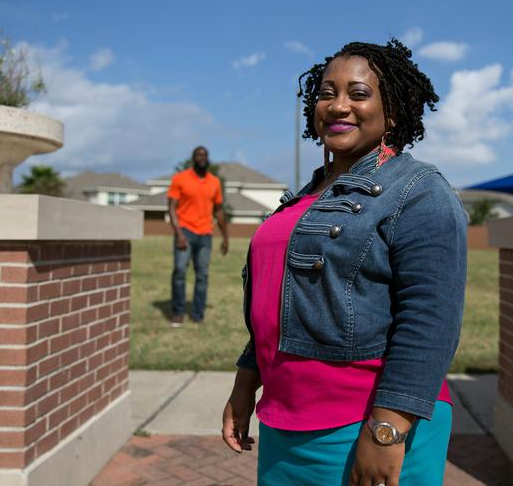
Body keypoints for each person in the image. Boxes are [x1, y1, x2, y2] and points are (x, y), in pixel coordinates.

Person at [221, 39, 467, 486]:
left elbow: (432, 317)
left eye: (357, 94)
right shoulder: (305, 197)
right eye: (326, 93)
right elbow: (280, 302)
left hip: (365, 424)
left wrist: (388, 428)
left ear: (392, 111)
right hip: (285, 422)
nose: (337, 106)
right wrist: (245, 384)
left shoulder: (419, 191)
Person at [166, 146, 229, 327]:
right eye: (198, 155)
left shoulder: (214, 182)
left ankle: (198, 314)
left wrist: (225, 238)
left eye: (205, 155)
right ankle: (178, 313)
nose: (202, 158)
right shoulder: (180, 178)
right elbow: (171, 207)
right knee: (179, 271)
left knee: (202, 275)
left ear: (208, 158)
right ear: (193, 158)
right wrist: (178, 233)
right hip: (184, 230)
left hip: (205, 235)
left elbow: (219, 211)